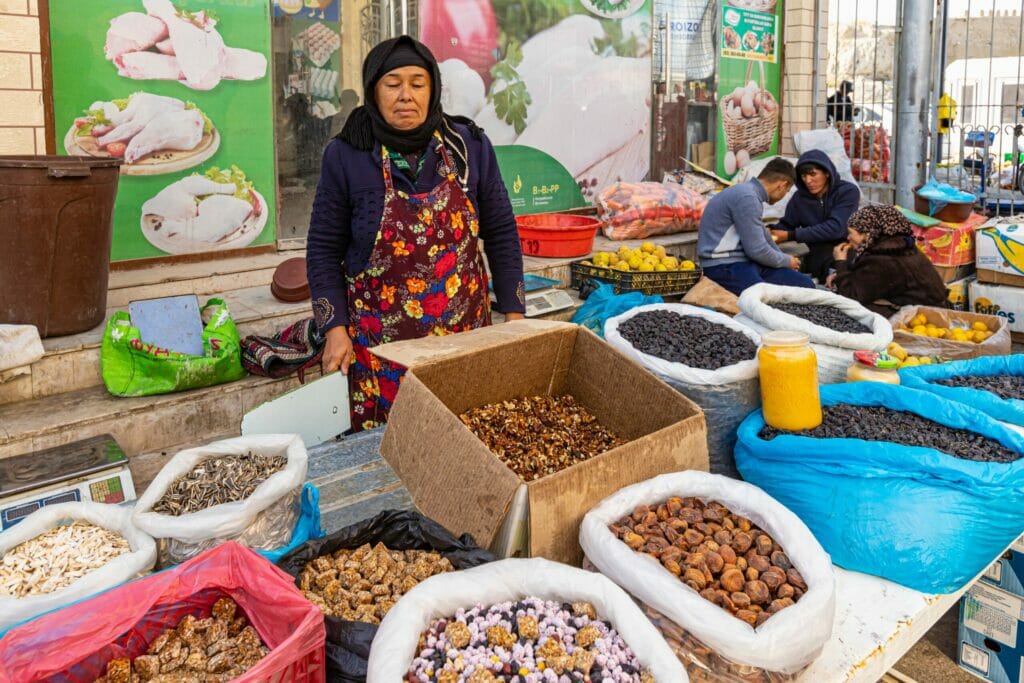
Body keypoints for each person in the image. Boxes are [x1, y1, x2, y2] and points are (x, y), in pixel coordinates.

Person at [306, 35, 526, 432]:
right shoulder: (346, 155)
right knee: (390, 448)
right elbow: (322, 250)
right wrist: (334, 329)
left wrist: (514, 314)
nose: (405, 95)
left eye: (417, 83)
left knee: (464, 436)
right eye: (393, 84)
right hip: (381, 348)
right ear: (374, 90)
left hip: (464, 339)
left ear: (433, 89)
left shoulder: (469, 146)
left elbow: (501, 231)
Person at [698, 157, 816, 295]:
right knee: (762, 298)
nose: (784, 196)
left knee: (805, 285)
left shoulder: (750, 194)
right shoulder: (747, 198)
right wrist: (786, 261)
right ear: (781, 185)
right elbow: (757, 250)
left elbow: (764, 237)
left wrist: (785, 260)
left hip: (746, 263)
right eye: (787, 191)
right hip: (723, 266)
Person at [828, 205, 948, 316]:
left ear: (867, 235)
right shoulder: (896, 245)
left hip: (925, 316)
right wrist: (841, 274)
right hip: (932, 306)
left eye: (850, 233)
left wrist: (840, 263)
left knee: (849, 310)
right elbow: (867, 275)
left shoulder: (883, 259)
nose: (848, 238)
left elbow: (850, 296)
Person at [770, 150, 861, 282]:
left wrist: (791, 235)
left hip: (844, 247)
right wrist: (770, 231)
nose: (808, 180)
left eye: (813, 174)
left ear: (827, 173)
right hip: (816, 252)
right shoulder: (799, 198)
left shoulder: (847, 192)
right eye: (803, 176)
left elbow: (836, 228)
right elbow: (787, 224)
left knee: (848, 271)